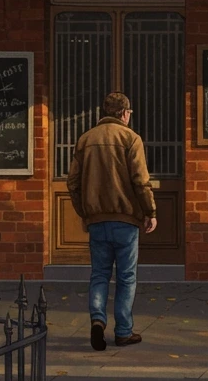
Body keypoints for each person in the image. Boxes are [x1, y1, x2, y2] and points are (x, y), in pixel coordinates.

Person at [67, 91, 157, 351]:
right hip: (126, 220)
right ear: (124, 113)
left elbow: (73, 182)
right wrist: (150, 211)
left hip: (96, 220)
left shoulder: (85, 139)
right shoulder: (131, 138)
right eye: (129, 113)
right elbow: (141, 181)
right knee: (126, 277)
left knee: (99, 274)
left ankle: (97, 319)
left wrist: (84, 212)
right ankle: (123, 331)